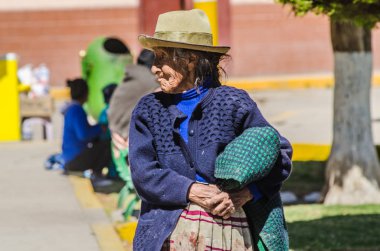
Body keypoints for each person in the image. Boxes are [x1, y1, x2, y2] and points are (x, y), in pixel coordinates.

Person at [126, 9, 293, 251]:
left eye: (162, 57)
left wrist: (248, 192)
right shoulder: (148, 110)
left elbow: (278, 154)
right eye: (155, 57)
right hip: (168, 233)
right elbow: (143, 174)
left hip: (231, 231)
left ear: (191, 60)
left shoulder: (232, 103)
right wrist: (192, 191)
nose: (154, 68)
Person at [62, 78, 112, 186]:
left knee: (99, 143)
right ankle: (97, 176)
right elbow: (83, 135)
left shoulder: (71, 108)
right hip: (74, 161)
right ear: (85, 93)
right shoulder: (76, 110)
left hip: (69, 159)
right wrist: (100, 128)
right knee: (107, 145)